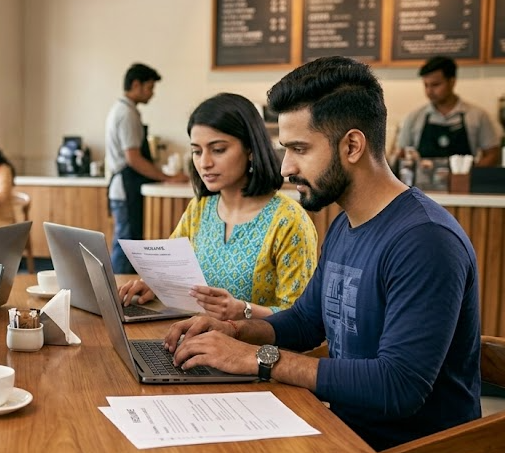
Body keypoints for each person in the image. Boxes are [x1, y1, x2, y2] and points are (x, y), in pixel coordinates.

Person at [165, 56, 481, 451]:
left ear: (352, 145)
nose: (285, 168)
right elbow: (305, 322)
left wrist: (257, 359)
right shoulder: (346, 224)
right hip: (339, 429)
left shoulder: (425, 240)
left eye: (299, 148)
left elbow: (399, 387)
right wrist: (233, 332)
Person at [117, 93, 317, 320]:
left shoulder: (289, 220)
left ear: (250, 150)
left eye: (218, 149)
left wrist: (243, 311)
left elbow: (301, 319)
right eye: (197, 151)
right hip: (195, 340)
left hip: (253, 351)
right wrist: (153, 285)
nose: (205, 163)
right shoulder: (199, 209)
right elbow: (172, 274)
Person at [106, 63, 178, 274]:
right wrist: (166, 177)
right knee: (127, 245)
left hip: (123, 186)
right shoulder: (127, 114)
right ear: (136, 85)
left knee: (125, 243)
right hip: (125, 187)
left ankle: (118, 294)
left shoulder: (122, 110)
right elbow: (134, 158)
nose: (152, 94)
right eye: (149, 88)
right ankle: (117, 296)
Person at [393, 56, 500, 167]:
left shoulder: (477, 116)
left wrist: (471, 176)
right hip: (422, 183)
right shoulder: (414, 117)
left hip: (463, 183)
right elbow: (401, 154)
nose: (429, 91)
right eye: (426, 85)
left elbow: (492, 154)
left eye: (435, 85)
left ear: (452, 82)